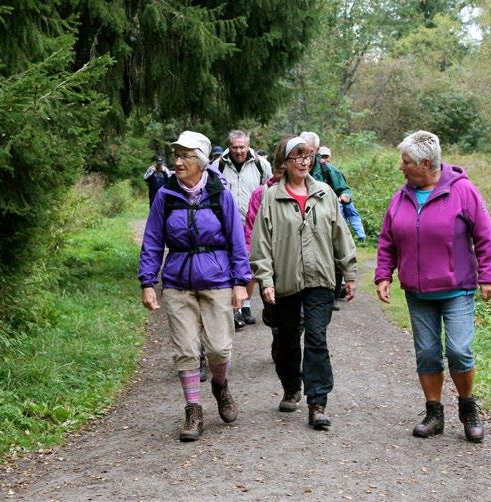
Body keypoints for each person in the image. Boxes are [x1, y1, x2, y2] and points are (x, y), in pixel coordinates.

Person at [375, 131, 491, 443]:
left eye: (406, 162)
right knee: (427, 353)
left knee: (459, 350)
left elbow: (484, 235)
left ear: (426, 163)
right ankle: (434, 413)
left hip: (456, 289)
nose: (401, 167)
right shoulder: (401, 196)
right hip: (418, 292)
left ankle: (468, 409)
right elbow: (387, 240)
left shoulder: (463, 191)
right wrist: (383, 275)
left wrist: (488, 275)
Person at [139, 131, 251, 442]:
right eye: (176, 155)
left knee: (219, 347)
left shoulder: (219, 194)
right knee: (185, 349)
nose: (177, 161)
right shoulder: (166, 195)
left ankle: (220, 386)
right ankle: (193, 409)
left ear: (200, 161)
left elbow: (236, 240)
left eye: (185, 155)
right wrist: (148, 282)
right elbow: (152, 241)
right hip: (177, 282)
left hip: (216, 280)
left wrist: (241, 282)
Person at [250, 135, 357, 430]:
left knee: (316, 338)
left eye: (307, 156)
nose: (303, 162)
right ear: (284, 163)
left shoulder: (324, 193)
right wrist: (266, 279)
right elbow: (261, 242)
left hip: (320, 278)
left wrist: (348, 273)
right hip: (284, 280)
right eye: (296, 157)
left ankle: (317, 402)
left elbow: (341, 235)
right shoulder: (271, 197)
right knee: (286, 341)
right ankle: (291, 387)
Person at [217, 130, 271, 328]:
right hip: (226, 225)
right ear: (229, 147)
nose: (239, 151)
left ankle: (246, 306)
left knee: (250, 267)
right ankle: (235, 309)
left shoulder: (261, 165)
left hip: (254, 224)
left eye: (242, 147)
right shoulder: (218, 165)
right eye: (235, 147)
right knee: (229, 265)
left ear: (248, 146)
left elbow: (270, 190)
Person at [300, 132, 354, 310]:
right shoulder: (294, 165)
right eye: (303, 150)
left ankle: (331, 296)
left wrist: (344, 196)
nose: (307, 156)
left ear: (316, 149)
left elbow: (344, 188)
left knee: (332, 253)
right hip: (302, 217)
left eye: (311, 151)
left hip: (325, 217)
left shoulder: (325, 168)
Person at [319, 146, 366, 242]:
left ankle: (358, 236)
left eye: (326, 156)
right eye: (322, 156)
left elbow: (353, 214)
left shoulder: (335, 172)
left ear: (330, 157)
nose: (324, 159)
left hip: (341, 202)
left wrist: (360, 234)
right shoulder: (317, 172)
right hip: (330, 206)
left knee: (348, 217)